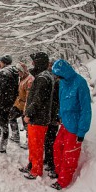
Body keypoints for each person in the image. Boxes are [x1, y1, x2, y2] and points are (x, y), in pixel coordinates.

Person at [50, 59, 92, 190]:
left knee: (70, 155)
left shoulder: (80, 83)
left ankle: (63, 181)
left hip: (75, 127)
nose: (56, 78)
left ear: (64, 73)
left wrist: (82, 131)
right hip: (64, 124)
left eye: (58, 75)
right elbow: (63, 102)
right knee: (57, 147)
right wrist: (59, 115)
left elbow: (86, 109)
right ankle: (58, 172)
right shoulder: (62, 83)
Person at [21, 52, 60, 180]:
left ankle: (36, 170)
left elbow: (38, 100)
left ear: (39, 62)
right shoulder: (44, 76)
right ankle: (32, 164)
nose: (32, 64)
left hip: (38, 118)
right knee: (33, 144)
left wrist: (29, 113)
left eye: (34, 61)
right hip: (39, 117)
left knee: (36, 145)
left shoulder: (43, 78)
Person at [0, 55, 19, 153]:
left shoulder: (2, 72)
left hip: (3, 102)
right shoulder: (15, 71)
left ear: (3, 62)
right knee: (12, 119)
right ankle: (15, 136)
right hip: (12, 100)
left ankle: (2, 146)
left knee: (3, 124)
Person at [9, 62, 33, 149]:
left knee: (26, 123)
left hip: (24, 104)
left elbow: (28, 96)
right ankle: (15, 136)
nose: (18, 73)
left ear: (23, 71)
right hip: (18, 103)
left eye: (19, 71)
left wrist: (26, 109)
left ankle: (28, 140)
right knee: (11, 117)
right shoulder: (22, 78)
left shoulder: (29, 80)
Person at [44, 58, 60, 177]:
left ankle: (52, 162)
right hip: (50, 113)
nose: (49, 67)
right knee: (48, 139)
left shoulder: (57, 81)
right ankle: (48, 159)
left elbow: (56, 99)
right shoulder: (53, 79)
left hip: (53, 115)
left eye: (51, 65)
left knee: (51, 140)